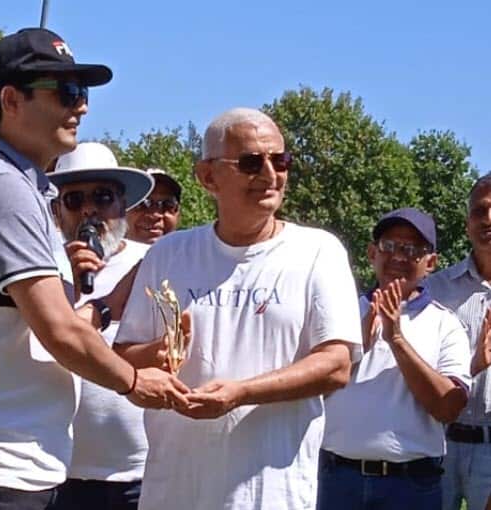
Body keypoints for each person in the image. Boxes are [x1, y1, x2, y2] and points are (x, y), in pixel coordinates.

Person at [0, 28, 189, 510]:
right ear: (11, 100)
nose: (81, 106)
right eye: (65, 92)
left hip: (6, 464)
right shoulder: (2, 188)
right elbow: (58, 333)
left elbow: (35, 332)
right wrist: (133, 380)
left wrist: (105, 308)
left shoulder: (21, 190)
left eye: (81, 93)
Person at [113, 107, 363, 510]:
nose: (270, 174)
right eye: (250, 162)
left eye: (280, 160)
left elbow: (336, 365)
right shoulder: (168, 254)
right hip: (174, 491)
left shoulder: (318, 251)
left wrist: (241, 393)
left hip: (269, 494)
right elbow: (125, 361)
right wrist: (155, 356)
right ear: (207, 177)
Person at [319, 207, 470, 510]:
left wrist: (396, 339)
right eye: (389, 246)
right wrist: (356, 347)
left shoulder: (446, 323)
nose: (399, 257)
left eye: (413, 250)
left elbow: (449, 407)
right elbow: (309, 391)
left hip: (411, 485)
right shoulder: (338, 311)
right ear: (372, 252)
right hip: (338, 479)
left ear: (431, 263)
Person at [48, 142, 153, 510]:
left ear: (123, 206)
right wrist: (69, 284)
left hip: (142, 472)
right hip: (56, 471)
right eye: (74, 200)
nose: (89, 209)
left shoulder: (153, 263)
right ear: (56, 211)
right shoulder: (37, 273)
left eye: (103, 196)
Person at [427, 174, 491, 510]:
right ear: (467, 224)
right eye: (480, 211)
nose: (489, 219)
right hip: (440, 443)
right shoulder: (437, 290)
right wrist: (473, 362)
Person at [125, 168, 181, 244]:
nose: (155, 215)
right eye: (143, 203)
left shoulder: (193, 254)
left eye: (168, 204)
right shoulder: (106, 254)